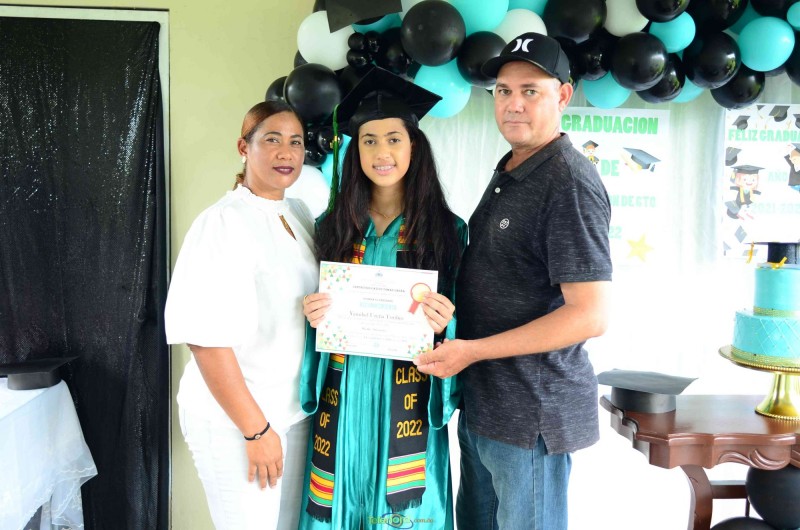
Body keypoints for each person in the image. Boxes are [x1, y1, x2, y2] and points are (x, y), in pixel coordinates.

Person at [414, 33, 613, 530]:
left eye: (530, 91)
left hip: (529, 417)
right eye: (503, 91)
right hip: (486, 407)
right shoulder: (514, 168)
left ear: (563, 95)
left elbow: (589, 315)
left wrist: (472, 351)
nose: (513, 104)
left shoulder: (568, 182)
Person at [299, 67, 468, 530]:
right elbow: (312, 326)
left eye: (394, 139)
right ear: (355, 151)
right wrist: (313, 313)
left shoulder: (447, 231)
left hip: (406, 404)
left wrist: (446, 323)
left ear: (414, 146)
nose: (381, 152)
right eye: (368, 140)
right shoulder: (332, 227)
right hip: (343, 396)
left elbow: (464, 329)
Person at [164, 100, 318, 530]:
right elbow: (205, 340)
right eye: (272, 140)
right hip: (237, 422)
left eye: (296, 142)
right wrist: (256, 431)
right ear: (243, 147)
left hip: (292, 412)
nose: (286, 152)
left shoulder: (298, 213)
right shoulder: (223, 222)